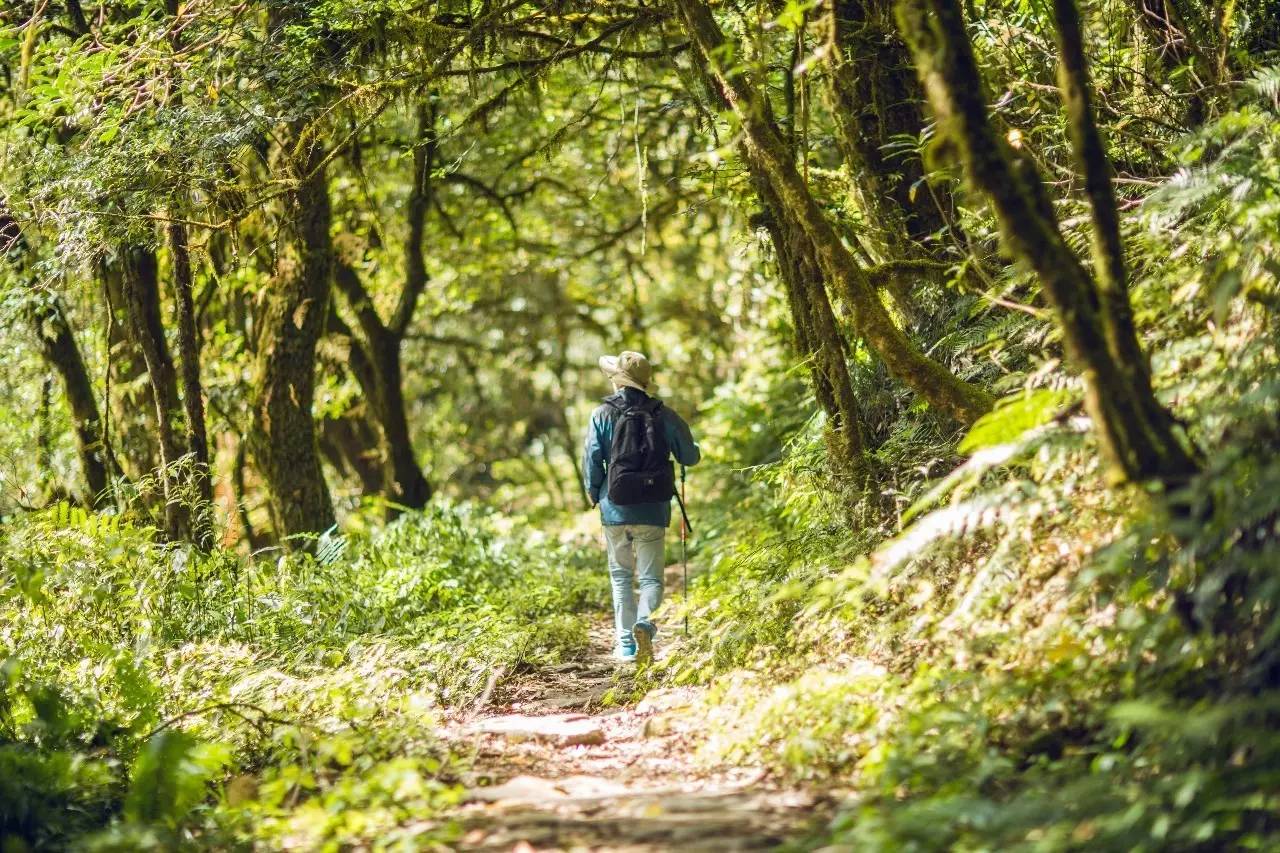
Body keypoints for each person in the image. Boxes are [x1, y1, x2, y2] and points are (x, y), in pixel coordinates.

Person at [582, 350, 701, 663]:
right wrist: (692, 447)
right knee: (650, 579)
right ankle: (645, 622)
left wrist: (593, 493)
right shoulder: (664, 414)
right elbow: (690, 457)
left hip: (614, 506)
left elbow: (593, 460)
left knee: (621, 577)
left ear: (616, 380)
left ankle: (625, 646)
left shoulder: (601, 414)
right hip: (653, 508)